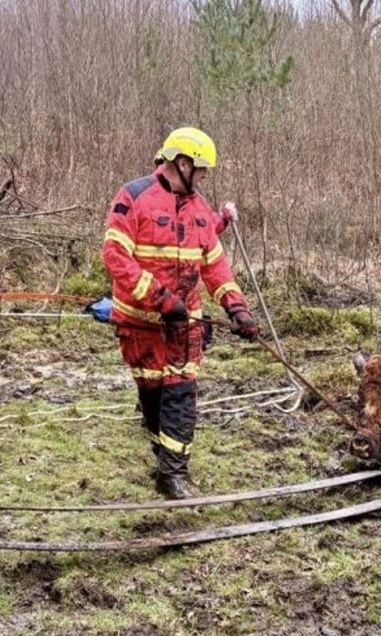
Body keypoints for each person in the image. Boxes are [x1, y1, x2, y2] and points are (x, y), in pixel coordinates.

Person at [101, 127, 258, 500]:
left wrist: (237, 307)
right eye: (202, 169)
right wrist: (159, 298)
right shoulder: (133, 197)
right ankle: (163, 455)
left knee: (182, 394)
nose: (205, 177)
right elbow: (115, 256)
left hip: (186, 327)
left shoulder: (201, 210)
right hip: (140, 326)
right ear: (183, 164)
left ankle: (173, 475)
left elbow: (215, 266)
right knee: (153, 398)